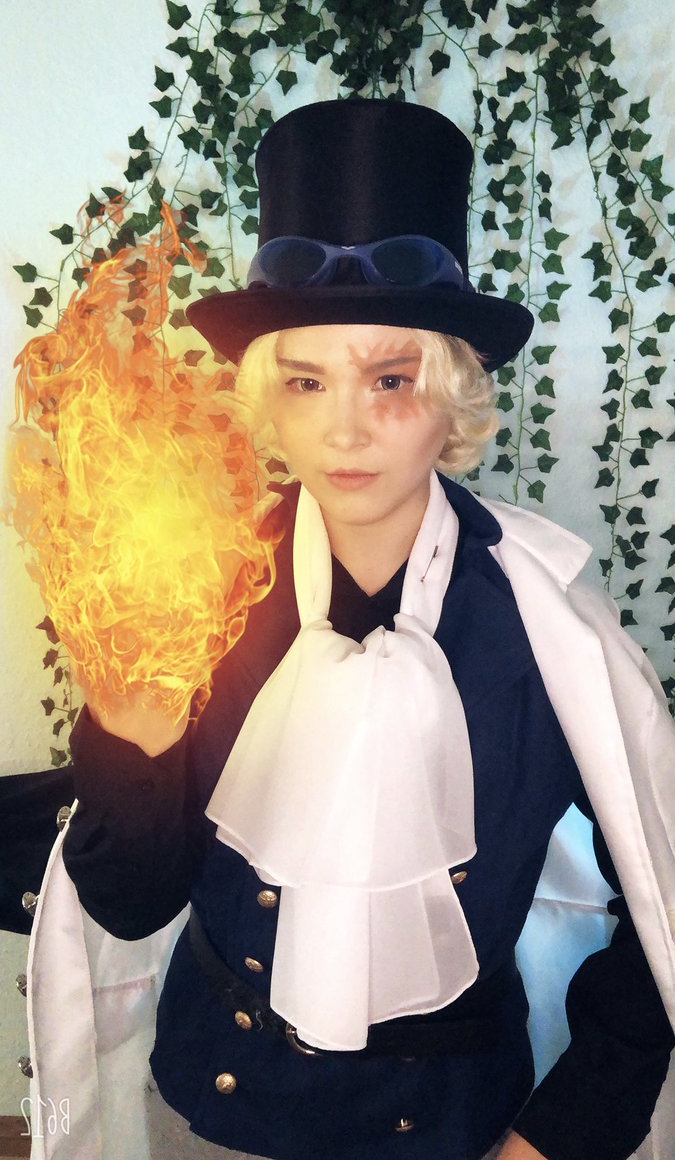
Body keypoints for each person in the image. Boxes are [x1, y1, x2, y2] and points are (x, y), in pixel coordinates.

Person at [7, 99, 675, 1160]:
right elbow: (131, 907)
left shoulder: (550, 623)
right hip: (212, 1109)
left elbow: (661, 894)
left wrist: (564, 1131)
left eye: (390, 380)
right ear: (267, 399)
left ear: (453, 396)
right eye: (307, 381)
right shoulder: (197, 593)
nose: (344, 426)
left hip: (460, 1127)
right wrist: (135, 748)